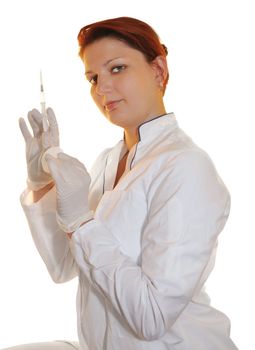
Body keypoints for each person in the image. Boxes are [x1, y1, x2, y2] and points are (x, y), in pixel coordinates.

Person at [15, 16, 238, 350]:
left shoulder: (186, 168)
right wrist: (42, 184)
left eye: (117, 68)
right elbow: (64, 266)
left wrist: (81, 221)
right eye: (93, 77)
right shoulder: (107, 162)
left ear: (158, 71)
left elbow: (152, 316)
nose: (101, 88)